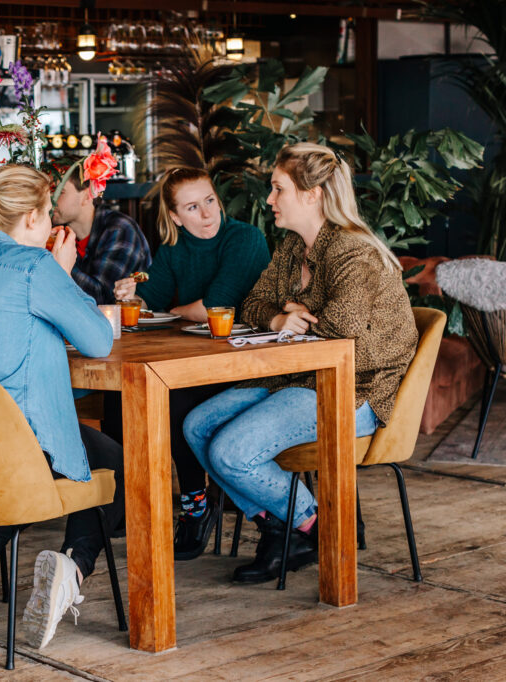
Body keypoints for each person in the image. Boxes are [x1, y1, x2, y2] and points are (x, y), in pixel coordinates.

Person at [183, 143, 417, 584]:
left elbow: (339, 330)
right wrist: (279, 316)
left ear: (312, 195)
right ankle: (289, 527)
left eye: (278, 189)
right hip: (299, 376)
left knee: (230, 452)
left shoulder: (354, 253)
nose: (269, 199)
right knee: (197, 426)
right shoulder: (294, 247)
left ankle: (317, 525)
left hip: (353, 389)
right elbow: (253, 302)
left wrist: (296, 311)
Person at [0, 164, 125, 651]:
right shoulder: (34, 266)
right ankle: (71, 567)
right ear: (33, 217)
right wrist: (62, 272)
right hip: (17, 450)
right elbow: (99, 340)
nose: (52, 220)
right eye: (48, 212)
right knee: (114, 463)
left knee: (43, 471)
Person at [109, 167, 270, 560]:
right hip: (199, 362)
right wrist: (133, 296)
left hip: (251, 365)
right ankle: (121, 502)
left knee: (174, 399)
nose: (207, 213)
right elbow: (150, 300)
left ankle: (196, 505)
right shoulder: (174, 249)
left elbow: (216, 306)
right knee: (120, 396)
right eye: (192, 207)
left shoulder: (244, 238)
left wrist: (170, 311)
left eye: (210, 201)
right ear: (176, 216)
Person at [51, 171, 151, 304]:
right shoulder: (57, 234)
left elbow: (103, 298)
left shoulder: (119, 229)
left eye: (59, 192)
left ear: (86, 196)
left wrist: (58, 263)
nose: (51, 199)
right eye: (49, 192)